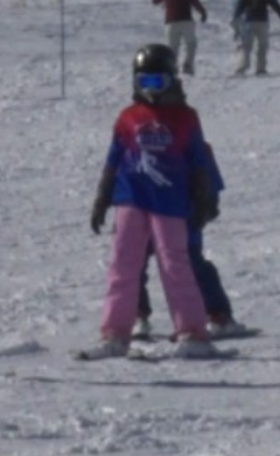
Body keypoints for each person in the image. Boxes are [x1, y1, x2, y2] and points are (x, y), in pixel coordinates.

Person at [85, 44, 219, 359]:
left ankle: (192, 331)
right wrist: (102, 199)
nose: (150, 90)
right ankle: (115, 333)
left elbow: (198, 161)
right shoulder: (128, 117)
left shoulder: (185, 117)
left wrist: (203, 200)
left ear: (171, 80)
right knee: (123, 265)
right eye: (143, 82)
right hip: (131, 200)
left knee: (175, 265)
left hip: (169, 203)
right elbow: (113, 160)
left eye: (157, 82)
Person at [133, 143, 249, 339]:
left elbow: (209, 183)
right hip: (144, 217)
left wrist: (205, 208)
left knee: (191, 265)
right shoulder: (137, 145)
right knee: (132, 264)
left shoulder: (193, 143)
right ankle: (135, 315)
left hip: (182, 218)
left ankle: (218, 314)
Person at [151, 0, 208, 75]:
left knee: (173, 47)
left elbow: (155, 0)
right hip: (186, 21)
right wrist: (203, 12)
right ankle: (188, 65)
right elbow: (195, 2)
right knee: (191, 44)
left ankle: (172, 67)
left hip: (171, 22)